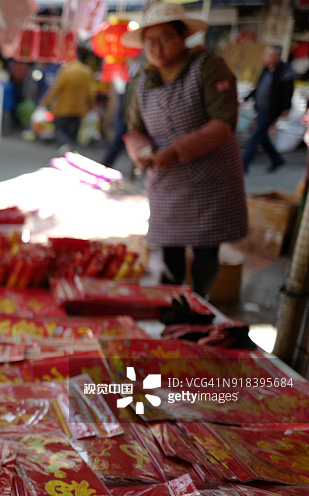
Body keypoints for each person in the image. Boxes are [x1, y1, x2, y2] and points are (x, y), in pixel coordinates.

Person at [122, 1, 248, 297]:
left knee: (206, 253)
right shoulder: (144, 80)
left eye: (165, 38)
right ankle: (172, 311)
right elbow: (134, 130)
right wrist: (142, 154)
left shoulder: (209, 67)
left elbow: (224, 122)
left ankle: (200, 307)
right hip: (167, 182)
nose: (157, 48)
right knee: (170, 256)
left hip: (211, 181)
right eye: (150, 41)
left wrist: (176, 151)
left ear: (183, 38)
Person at [242, 44, 295, 173]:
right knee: (262, 137)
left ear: (277, 57)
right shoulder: (266, 70)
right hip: (260, 109)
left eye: (269, 55)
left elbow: (288, 92)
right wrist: (246, 98)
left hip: (271, 111)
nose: (266, 58)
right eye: (265, 54)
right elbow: (258, 88)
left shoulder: (284, 72)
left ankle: (242, 167)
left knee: (254, 138)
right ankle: (277, 159)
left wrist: (285, 109)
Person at [39, 49, 96, 149]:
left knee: (60, 128)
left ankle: (65, 145)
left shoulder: (66, 71)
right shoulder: (87, 71)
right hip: (80, 108)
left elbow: (55, 89)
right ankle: (70, 147)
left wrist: (45, 102)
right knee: (73, 130)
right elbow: (91, 93)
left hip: (63, 108)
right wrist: (90, 107)